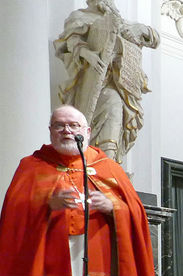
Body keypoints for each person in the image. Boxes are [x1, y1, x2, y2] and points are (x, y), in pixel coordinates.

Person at [0, 105, 170, 276]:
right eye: (59, 125)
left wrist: (113, 206)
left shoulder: (109, 169)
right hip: (46, 272)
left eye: (74, 126)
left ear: (87, 132)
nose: (67, 131)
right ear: (50, 130)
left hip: (98, 265)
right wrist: (46, 205)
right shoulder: (31, 167)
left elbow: (136, 216)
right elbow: (12, 220)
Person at [55, 0, 159, 164]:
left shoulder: (120, 22)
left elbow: (154, 39)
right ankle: (94, 167)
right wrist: (88, 54)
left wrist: (141, 29)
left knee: (114, 114)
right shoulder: (80, 16)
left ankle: (108, 169)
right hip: (91, 86)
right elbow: (68, 43)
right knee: (86, 127)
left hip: (117, 87)